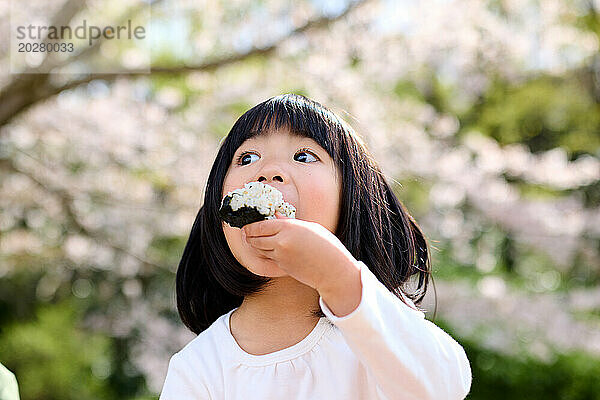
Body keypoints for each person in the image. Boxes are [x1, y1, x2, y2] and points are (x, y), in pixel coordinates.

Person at [159, 93, 472, 399]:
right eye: (247, 157)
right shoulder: (198, 367)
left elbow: (444, 388)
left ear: (352, 200)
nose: (268, 171)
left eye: (304, 156)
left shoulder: (374, 329)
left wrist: (339, 278)